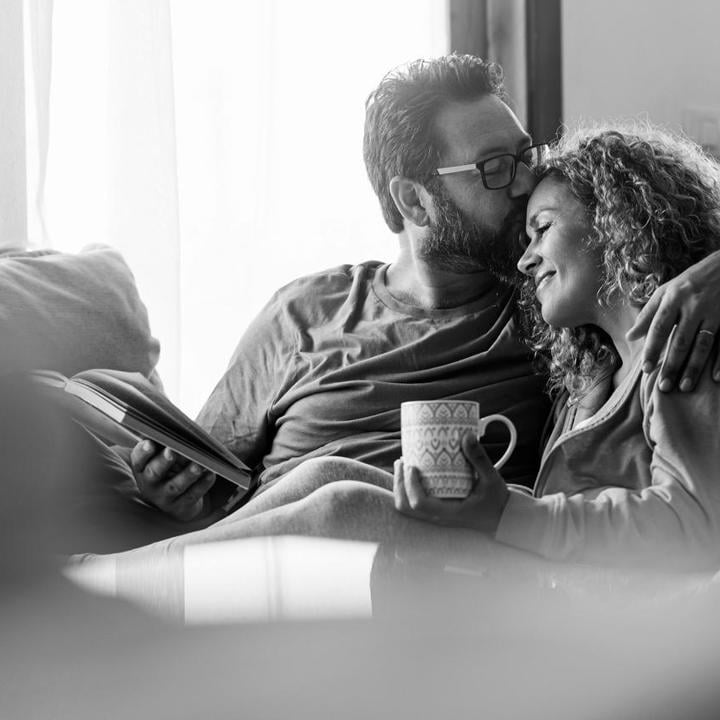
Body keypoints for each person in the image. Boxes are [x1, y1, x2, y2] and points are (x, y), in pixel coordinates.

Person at [127, 54, 720, 536]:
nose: (522, 181)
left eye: (523, 156)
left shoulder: (555, 310)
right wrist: (174, 495)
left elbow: (654, 232)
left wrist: (713, 272)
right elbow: (214, 488)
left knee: (341, 494)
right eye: (493, 168)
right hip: (277, 564)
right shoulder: (301, 313)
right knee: (326, 481)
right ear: (414, 202)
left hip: (442, 562)